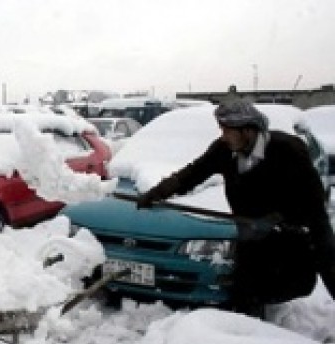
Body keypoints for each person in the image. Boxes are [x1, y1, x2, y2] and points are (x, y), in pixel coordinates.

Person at [136, 100, 335, 314]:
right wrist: (157, 193)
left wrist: (279, 219)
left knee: (310, 276)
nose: (223, 136)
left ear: (248, 131)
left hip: (293, 230)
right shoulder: (223, 150)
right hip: (251, 232)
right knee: (245, 290)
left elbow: (314, 201)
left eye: (227, 131)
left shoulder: (287, 150)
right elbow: (192, 173)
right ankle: (248, 335)